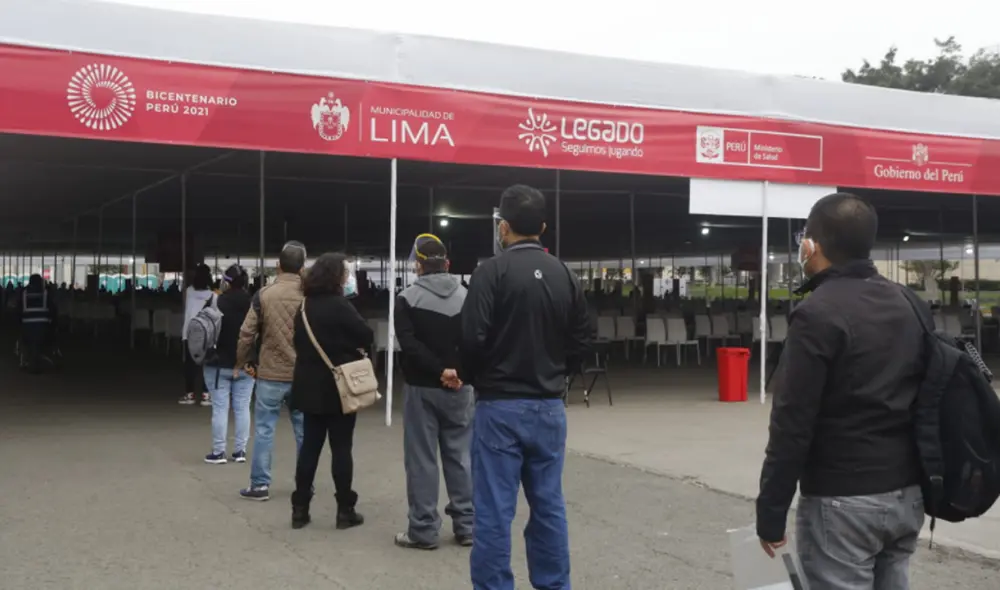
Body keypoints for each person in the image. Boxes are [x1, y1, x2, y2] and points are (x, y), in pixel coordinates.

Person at [756, 193, 925, 589]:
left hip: (843, 500)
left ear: (812, 245)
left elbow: (792, 423)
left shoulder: (817, 313)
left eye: (803, 236)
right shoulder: (909, 302)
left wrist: (771, 512)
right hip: (906, 494)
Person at [462, 185, 592, 590]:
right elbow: (584, 338)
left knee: (494, 511)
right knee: (549, 505)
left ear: (503, 228)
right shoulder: (565, 274)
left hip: (499, 406)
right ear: (543, 227)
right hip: (548, 407)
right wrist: (561, 374)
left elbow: (471, 339)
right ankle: (554, 585)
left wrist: (473, 376)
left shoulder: (490, 273)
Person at [393, 234, 474, 550]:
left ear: (418, 266)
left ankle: (423, 530)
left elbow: (409, 344)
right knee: (461, 456)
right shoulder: (469, 296)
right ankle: (467, 526)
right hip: (461, 388)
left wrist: (438, 370)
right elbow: (478, 341)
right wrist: (458, 372)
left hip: (421, 388)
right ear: (448, 265)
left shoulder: (407, 298)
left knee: (422, 459)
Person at [289, 253, 372, 529]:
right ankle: (344, 510)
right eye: (345, 273)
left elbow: (297, 342)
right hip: (339, 388)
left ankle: (300, 509)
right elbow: (366, 335)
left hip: (309, 387)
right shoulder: (341, 306)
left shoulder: (303, 307)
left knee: (309, 448)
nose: (347, 278)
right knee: (341, 448)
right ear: (336, 277)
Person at [236, 241, 308, 501]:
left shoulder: (263, 295)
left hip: (269, 374)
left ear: (278, 265)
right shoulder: (310, 295)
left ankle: (259, 486)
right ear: (302, 267)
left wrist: (243, 361)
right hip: (302, 375)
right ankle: (304, 485)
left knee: (265, 430)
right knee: (303, 431)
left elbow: (246, 333)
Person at [203, 265, 254, 465]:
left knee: (220, 408)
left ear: (226, 281)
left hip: (218, 363)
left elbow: (203, 328)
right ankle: (240, 451)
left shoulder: (216, 301)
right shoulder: (254, 303)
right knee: (242, 407)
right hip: (247, 364)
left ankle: (218, 452)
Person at [179, 263, 215, 406]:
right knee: (207, 365)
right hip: (206, 335)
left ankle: (190, 394)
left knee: (190, 366)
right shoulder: (213, 295)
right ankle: (206, 394)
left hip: (189, 333)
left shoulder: (188, 292)